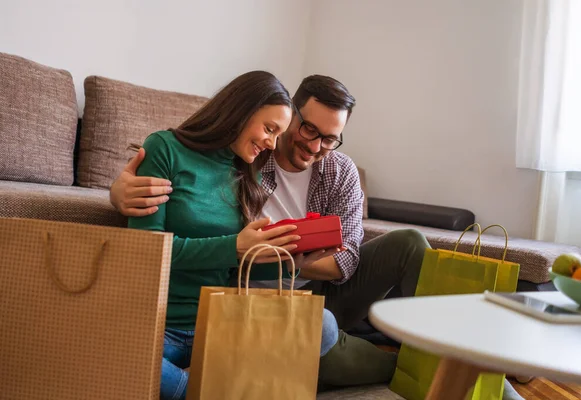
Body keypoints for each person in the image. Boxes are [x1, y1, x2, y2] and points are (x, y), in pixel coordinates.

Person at [113, 75, 524, 400]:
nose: (314, 146)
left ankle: (473, 361)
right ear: (292, 114)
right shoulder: (251, 158)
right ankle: (447, 370)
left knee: (407, 245)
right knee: (324, 336)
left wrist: (296, 257)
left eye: (330, 138)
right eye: (307, 130)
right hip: (257, 298)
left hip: (315, 289)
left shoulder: (336, 170)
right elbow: (183, 218)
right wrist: (117, 192)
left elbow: (345, 262)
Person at [127, 71, 340, 400]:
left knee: (323, 326)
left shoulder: (245, 171)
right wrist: (234, 246)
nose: (272, 143)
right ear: (241, 111)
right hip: (159, 323)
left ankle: (212, 385)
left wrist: (290, 263)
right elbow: (147, 253)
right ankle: (204, 390)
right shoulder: (165, 150)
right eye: (269, 129)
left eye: (278, 133)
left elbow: (234, 266)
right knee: (109, 345)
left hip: (218, 323)